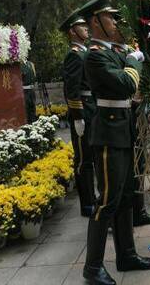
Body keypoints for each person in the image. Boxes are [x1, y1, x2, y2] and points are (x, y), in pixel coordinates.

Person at [78, 0, 150, 285]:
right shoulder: (95, 56)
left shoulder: (111, 52)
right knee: (107, 200)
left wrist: (130, 59)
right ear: (95, 21)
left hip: (122, 130)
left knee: (124, 197)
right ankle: (92, 268)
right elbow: (126, 84)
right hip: (108, 134)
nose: (114, 20)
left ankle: (127, 255)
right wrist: (134, 62)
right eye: (109, 16)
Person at [110, 36, 150, 227]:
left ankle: (139, 211)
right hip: (116, 119)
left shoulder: (128, 53)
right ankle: (114, 218)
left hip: (135, 115)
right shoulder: (108, 55)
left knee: (138, 165)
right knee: (118, 173)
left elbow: (142, 83)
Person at [60, 11, 96, 218]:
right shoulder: (74, 54)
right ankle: (87, 203)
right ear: (73, 32)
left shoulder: (85, 51)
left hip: (92, 108)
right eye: (82, 27)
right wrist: (77, 116)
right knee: (84, 159)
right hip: (83, 110)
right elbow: (71, 89)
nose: (86, 29)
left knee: (92, 157)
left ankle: (93, 198)